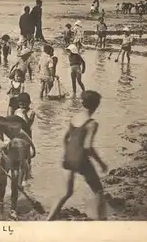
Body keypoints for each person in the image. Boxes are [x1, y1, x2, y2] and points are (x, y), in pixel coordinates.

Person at [47, 91, 108, 220]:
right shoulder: (92, 124)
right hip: (81, 160)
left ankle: (48, 220)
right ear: (96, 105)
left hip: (68, 158)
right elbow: (88, 147)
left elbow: (65, 138)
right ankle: (101, 222)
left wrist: (68, 154)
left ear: (83, 103)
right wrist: (101, 163)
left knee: (66, 193)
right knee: (98, 191)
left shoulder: (74, 117)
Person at [0, 116, 36, 220]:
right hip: (5, 159)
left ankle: (13, 209)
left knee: (14, 185)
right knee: (2, 182)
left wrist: (32, 151)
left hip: (15, 160)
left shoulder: (16, 131)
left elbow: (28, 139)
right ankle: (0, 202)